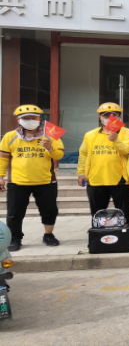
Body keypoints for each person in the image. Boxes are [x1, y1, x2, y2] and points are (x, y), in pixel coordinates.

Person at [0, 105, 64, 251]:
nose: (30, 120)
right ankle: (15, 238)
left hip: (46, 180)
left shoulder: (50, 135)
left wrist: (50, 148)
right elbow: (3, 158)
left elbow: (59, 155)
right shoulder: (10, 136)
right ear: (18, 119)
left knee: (49, 210)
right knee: (14, 213)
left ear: (39, 119)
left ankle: (49, 235)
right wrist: (0, 176)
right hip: (18, 181)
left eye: (33, 118)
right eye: (26, 118)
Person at [78, 103, 129, 223]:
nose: (110, 118)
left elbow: (128, 151)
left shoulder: (127, 133)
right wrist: (81, 173)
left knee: (124, 214)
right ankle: (98, 234)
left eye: (114, 115)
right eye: (106, 115)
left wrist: (116, 140)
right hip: (95, 179)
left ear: (119, 117)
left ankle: (125, 234)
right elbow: (83, 154)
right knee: (97, 215)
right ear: (100, 117)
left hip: (120, 180)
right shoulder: (90, 135)